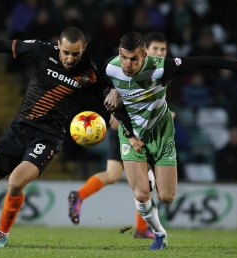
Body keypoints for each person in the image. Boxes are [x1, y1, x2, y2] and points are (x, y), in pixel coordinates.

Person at [0, 27, 128, 248]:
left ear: (84, 49)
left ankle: (1, 233)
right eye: (66, 52)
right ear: (58, 45)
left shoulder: (90, 72)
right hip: (18, 130)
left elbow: (110, 93)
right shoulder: (41, 51)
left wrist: (114, 95)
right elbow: (3, 45)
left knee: (14, 183)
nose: (70, 58)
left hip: (48, 137)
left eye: (75, 54)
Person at [104, 31, 237, 250]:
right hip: (132, 133)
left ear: (144, 55)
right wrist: (111, 93)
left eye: (134, 59)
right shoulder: (110, 67)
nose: (128, 64)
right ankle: (159, 234)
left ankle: (149, 172)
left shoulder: (161, 68)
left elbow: (200, 62)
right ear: (119, 53)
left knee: (167, 197)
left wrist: (236, 66)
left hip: (161, 130)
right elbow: (106, 96)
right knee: (141, 193)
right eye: (125, 58)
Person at [68, 32, 169, 239]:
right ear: (144, 52)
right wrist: (114, 99)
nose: (160, 53)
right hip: (128, 129)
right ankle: (142, 229)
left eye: (163, 49)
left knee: (113, 175)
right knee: (146, 177)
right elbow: (110, 71)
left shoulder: (159, 71)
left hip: (138, 129)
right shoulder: (127, 67)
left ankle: (79, 195)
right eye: (156, 49)